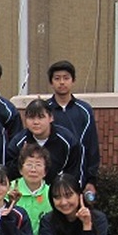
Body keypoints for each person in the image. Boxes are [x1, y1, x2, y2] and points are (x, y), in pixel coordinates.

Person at [44, 61, 100, 198]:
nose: (62, 82)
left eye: (66, 78)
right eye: (57, 78)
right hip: (47, 181)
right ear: (51, 82)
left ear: (73, 80)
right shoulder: (44, 110)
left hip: (78, 178)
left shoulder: (84, 111)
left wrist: (91, 180)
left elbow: (91, 146)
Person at [5, 99, 83, 186]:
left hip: (57, 192)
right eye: (31, 118)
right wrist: (21, 158)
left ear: (51, 118)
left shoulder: (68, 141)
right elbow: (10, 174)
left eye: (41, 117)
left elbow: (74, 173)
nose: (36, 122)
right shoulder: (18, 143)